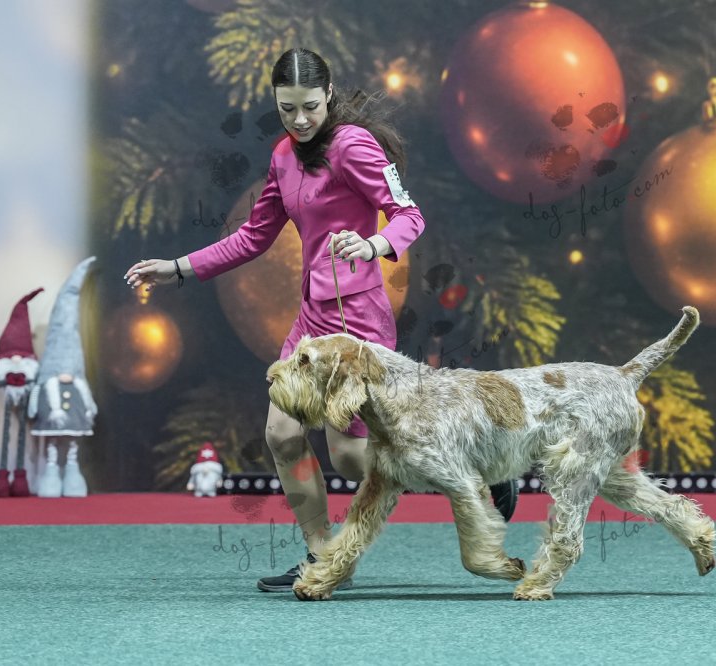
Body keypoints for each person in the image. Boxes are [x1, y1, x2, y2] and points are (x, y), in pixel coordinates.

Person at [124, 47, 518, 592]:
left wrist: (374, 244)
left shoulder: (354, 146)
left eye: (310, 106)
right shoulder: (283, 156)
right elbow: (252, 237)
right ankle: (323, 555)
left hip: (359, 323)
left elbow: (409, 215)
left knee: (353, 457)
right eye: (287, 109)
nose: (300, 119)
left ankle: (474, 473)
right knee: (282, 434)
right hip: (311, 320)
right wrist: (178, 268)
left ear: (328, 95)